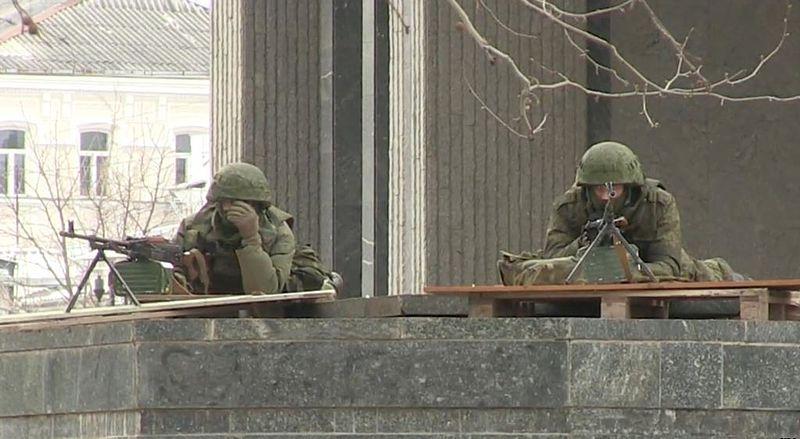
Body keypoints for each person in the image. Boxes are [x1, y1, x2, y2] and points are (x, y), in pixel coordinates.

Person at [499, 140, 745, 286]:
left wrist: (622, 269)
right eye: (599, 190)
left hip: (648, 263)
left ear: (630, 188)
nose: (607, 197)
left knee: (697, 272)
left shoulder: (657, 204)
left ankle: (724, 271)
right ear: (587, 189)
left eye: (614, 189)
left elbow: (669, 265)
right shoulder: (569, 208)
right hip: (589, 266)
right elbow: (552, 257)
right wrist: (584, 242)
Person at [174, 162, 338, 294]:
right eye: (225, 201)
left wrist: (251, 239)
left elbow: (265, 291)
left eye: (239, 202)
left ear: (257, 205)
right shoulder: (193, 228)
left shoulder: (277, 232)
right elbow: (172, 279)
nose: (228, 208)